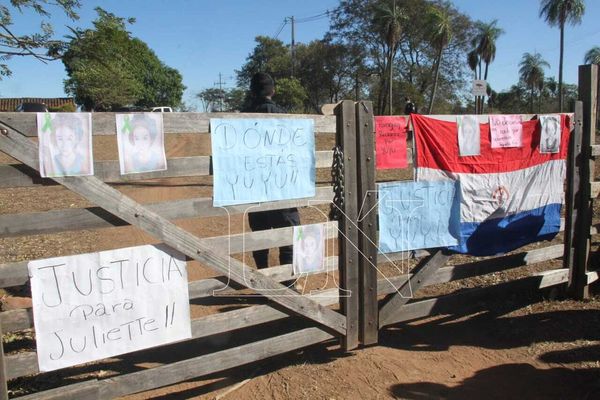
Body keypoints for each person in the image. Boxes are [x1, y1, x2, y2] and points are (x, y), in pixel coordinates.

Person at [242, 72, 301, 268]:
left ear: (251, 91)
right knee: (288, 232)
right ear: (273, 91)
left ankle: (263, 277)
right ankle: (289, 283)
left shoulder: (241, 118)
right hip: (282, 184)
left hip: (254, 186)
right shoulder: (283, 115)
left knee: (260, 233)